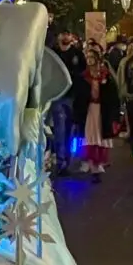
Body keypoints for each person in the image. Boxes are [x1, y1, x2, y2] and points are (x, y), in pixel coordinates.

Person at [73, 45, 119, 182]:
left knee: (101, 136)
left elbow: (113, 97)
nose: (89, 60)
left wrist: (115, 115)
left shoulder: (106, 77)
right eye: (88, 58)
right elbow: (79, 97)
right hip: (89, 111)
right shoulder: (83, 78)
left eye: (92, 57)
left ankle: (98, 164)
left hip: (102, 111)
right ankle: (93, 165)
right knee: (89, 137)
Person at [50, 27, 86, 173]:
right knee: (59, 128)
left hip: (72, 96)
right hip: (58, 95)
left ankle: (67, 158)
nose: (65, 36)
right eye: (63, 33)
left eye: (67, 33)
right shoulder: (53, 53)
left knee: (69, 130)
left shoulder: (77, 54)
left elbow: (82, 73)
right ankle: (61, 160)